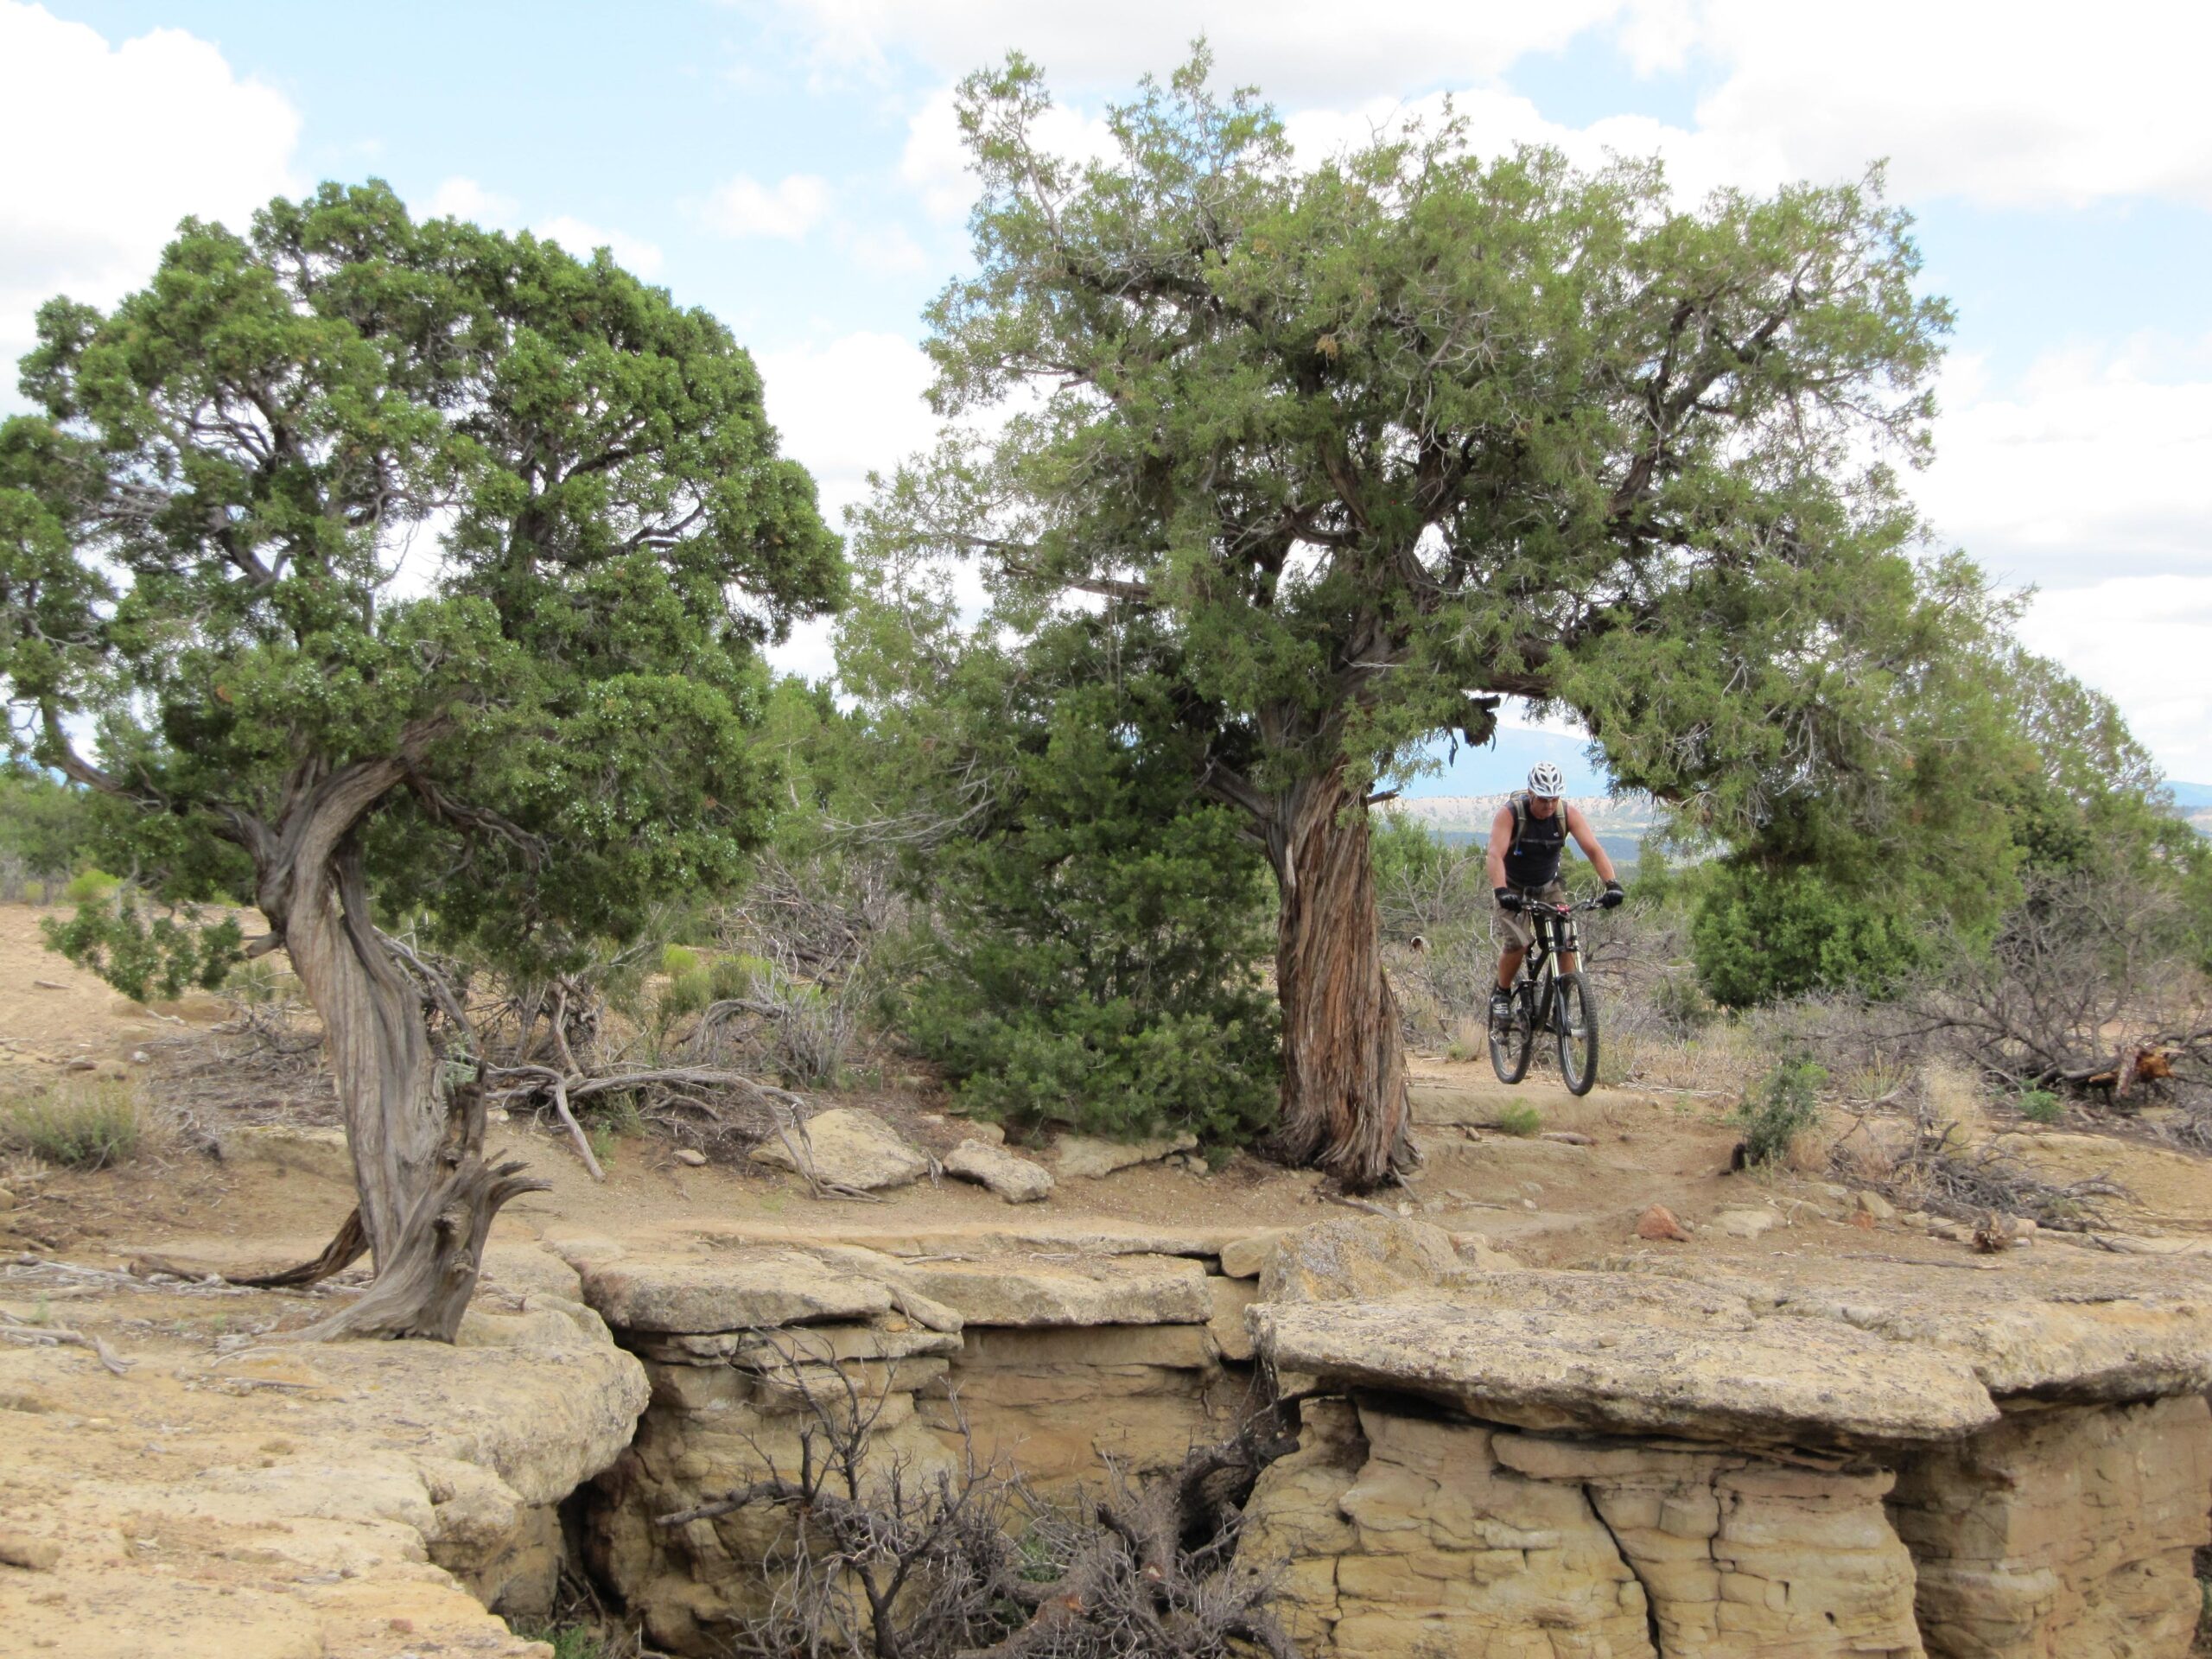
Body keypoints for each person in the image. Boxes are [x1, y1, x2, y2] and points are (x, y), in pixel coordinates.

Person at [1487, 763, 1624, 1026]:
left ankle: (1562, 1004)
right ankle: (1502, 994)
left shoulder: (1566, 814)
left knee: (1566, 940)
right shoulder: (1511, 813)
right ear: (1531, 793)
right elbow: (1495, 855)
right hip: (1512, 887)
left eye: (1553, 798)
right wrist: (1501, 890)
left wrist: (1612, 884)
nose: (1549, 805)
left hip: (1548, 887)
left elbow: (1593, 849)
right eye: (1543, 799)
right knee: (1519, 942)